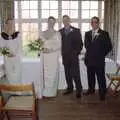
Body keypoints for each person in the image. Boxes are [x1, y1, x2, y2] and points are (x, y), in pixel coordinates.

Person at [84, 16, 112, 101]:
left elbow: (109, 46)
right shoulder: (87, 33)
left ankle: (102, 93)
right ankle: (91, 90)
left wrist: (101, 54)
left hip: (99, 60)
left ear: (98, 23)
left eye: (96, 22)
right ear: (91, 24)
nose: (94, 24)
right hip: (89, 60)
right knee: (90, 76)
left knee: (101, 77)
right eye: (92, 22)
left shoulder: (104, 33)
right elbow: (86, 45)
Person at [59, 15, 83, 98]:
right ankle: (70, 88)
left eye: (67, 20)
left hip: (74, 57)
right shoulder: (60, 31)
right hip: (65, 57)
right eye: (64, 20)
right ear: (63, 21)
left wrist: (76, 52)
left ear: (69, 21)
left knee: (76, 74)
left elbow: (80, 44)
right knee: (67, 74)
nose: (65, 21)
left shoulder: (76, 30)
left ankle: (79, 90)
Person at [40, 16, 61, 98]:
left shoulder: (57, 33)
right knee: (44, 73)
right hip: (44, 56)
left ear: (54, 23)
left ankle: (51, 92)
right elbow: (39, 44)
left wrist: (51, 50)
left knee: (52, 73)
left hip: (53, 56)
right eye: (49, 22)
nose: (51, 23)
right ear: (47, 22)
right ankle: (44, 91)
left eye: (53, 22)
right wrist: (42, 49)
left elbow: (59, 45)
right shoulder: (42, 33)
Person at [0, 18, 22, 84]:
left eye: (11, 23)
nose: (10, 25)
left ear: (13, 24)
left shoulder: (17, 34)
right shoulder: (3, 36)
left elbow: (20, 46)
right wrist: (7, 54)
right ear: (6, 24)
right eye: (8, 23)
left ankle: (17, 92)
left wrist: (14, 54)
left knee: (17, 74)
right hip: (7, 58)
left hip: (16, 58)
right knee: (9, 75)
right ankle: (11, 92)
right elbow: (1, 47)